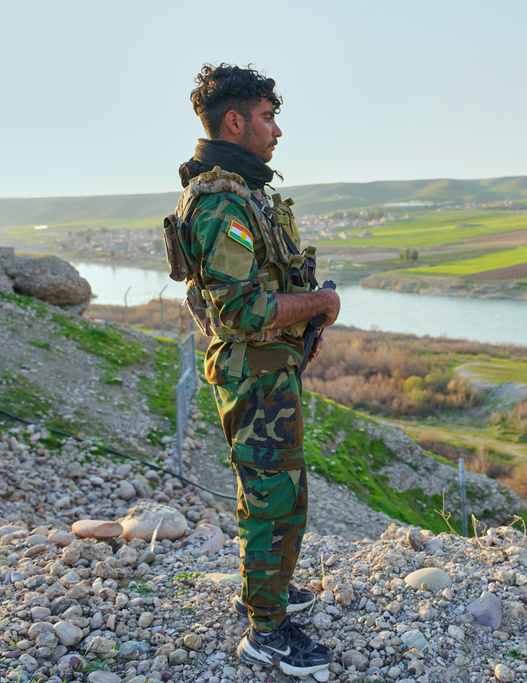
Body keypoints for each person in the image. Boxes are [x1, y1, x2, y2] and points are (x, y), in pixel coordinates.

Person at [168, 63, 339, 680]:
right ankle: (265, 633)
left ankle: (267, 591)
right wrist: (319, 304)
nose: (277, 132)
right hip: (252, 372)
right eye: (268, 117)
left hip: (269, 368)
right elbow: (241, 310)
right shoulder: (219, 202)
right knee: (274, 499)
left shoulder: (241, 191)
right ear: (234, 121)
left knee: (278, 493)